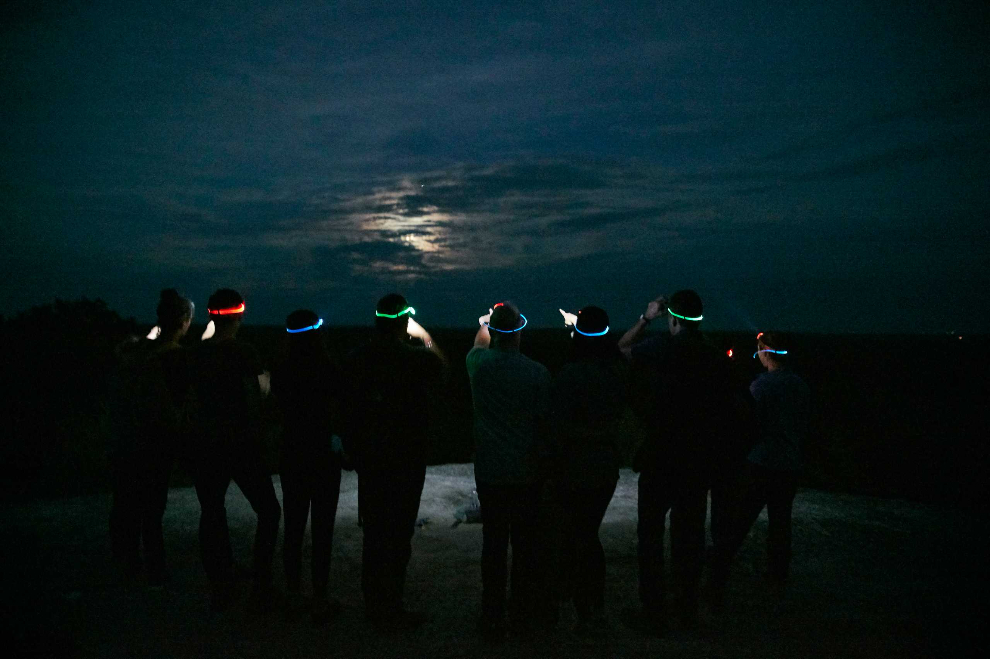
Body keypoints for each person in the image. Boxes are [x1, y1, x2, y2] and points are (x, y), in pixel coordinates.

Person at [617, 290, 734, 634]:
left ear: (673, 318)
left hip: (661, 453)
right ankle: (686, 608)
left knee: (651, 534)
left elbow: (622, 349)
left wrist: (646, 317)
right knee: (690, 536)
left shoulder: (661, 348)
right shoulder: (714, 356)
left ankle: (653, 610)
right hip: (698, 457)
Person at [340, 293, 445, 629]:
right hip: (406, 458)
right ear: (403, 321)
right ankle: (392, 606)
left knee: (374, 533)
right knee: (399, 535)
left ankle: (374, 605)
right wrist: (424, 336)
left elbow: (346, 407)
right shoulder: (414, 358)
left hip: (372, 458)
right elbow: (442, 366)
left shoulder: (357, 358)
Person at [188, 288, 282, 612]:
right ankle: (262, 583)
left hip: (205, 444)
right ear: (240, 314)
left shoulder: (197, 354)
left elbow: (192, 399)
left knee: (212, 511)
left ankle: (221, 583)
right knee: (269, 511)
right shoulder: (244, 352)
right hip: (241, 444)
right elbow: (257, 395)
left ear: (211, 315)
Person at [466, 302, 552, 640]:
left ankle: (492, 614)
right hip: (526, 472)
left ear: (493, 332)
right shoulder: (537, 373)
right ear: (518, 331)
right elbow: (544, 424)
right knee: (525, 546)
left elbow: (478, 344)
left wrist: (484, 322)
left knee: (494, 544)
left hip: (490, 471)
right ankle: (521, 613)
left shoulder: (478, 365)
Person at [708, 332, 810, 602]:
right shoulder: (800, 385)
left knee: (739, 521)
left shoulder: (761, 386)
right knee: (780, 522)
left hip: (762, 462)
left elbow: (745, 422)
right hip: (789, 464)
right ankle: (777, 577)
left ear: (766, 352)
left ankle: (717, 577)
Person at [108, 289, 193, 587]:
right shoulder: (177, 357)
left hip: (125, 437)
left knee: (126, 501)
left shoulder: (136, 352)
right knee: (153, 507)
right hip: (155, 441)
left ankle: (127, 561)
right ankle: (155, 567)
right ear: (183, 321)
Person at [551, 306, 627, 634]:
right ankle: (590, 602)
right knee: (588, 532)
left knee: (576, 533)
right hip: (606, 466)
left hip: (575, 464)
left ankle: (579, 601)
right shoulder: (617, 372)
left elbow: (559, 424)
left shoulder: (569, 373)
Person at [272, 309, 344, 624]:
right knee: (322, 527)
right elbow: (339, 405)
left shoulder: (282, 369)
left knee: (294, 525)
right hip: (323, 454)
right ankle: (320, 597)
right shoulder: (327, 368)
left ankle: (293, 593)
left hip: (292, 452)